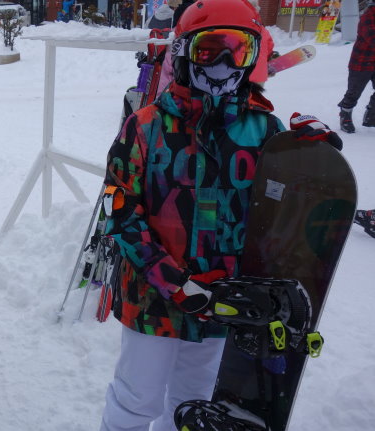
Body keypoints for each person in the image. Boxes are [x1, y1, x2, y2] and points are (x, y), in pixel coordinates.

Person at [99, 0, 342, 430]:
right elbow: (119, 214)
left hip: (221, 298)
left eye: (239, 50)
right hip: (153, 298)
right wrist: (177, 285)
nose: (224, 64)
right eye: (210, 49)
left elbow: (279, 210)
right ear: (184, 52)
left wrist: (307, 157)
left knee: (194, 400)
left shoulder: (264, 130)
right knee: (137, 399)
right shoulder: (145, 126)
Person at [338, 0, 375, 133]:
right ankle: (345, 115)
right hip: (362, 62)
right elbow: (372, 38)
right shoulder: (368, 17)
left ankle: (371, 115)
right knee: (354, 92)